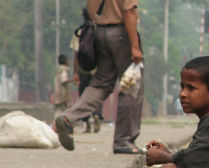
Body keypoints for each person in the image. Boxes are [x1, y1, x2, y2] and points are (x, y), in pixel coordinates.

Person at [55, 0, 145, 153]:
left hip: (99, 33)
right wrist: (135, 47)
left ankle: (68, 118)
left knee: (101, 83)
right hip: (121, 34)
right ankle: (123, 140)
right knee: (131, 85)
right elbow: (129, 12)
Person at [70, 7, 103, 133]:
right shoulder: (99, 31)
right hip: (97, 69)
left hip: (83, 68)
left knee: (84, 96)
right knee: (97, 93)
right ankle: (96, 115)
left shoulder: (78, 32)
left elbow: (76, 55)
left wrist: (75, 72)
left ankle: (87, 123)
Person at [53, 55, 73, 120]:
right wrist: (73, 80)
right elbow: (64, 81)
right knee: (63, 110)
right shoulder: (64, 69)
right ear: (65, 61)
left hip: (58, 93)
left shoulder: (59, 69)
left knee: (59, 110)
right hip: (62, 94)